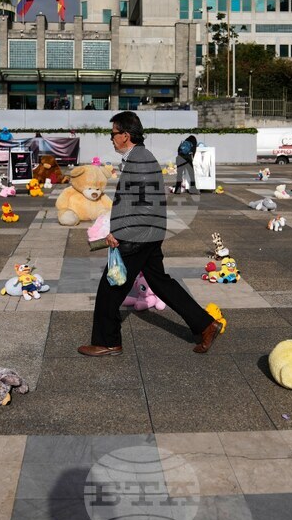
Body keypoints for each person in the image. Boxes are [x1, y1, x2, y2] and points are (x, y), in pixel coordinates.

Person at [79, 112, 221, 357]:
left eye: (113, 134)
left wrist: (119, 233)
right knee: (161, 284)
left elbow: (145, 207)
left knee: (109, 289)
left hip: (137, 237)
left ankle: (108, 341)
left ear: (125, 135)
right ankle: (205, 324)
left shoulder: (140, 160)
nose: (111, 139)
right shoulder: (138, 157)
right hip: (147, 235)